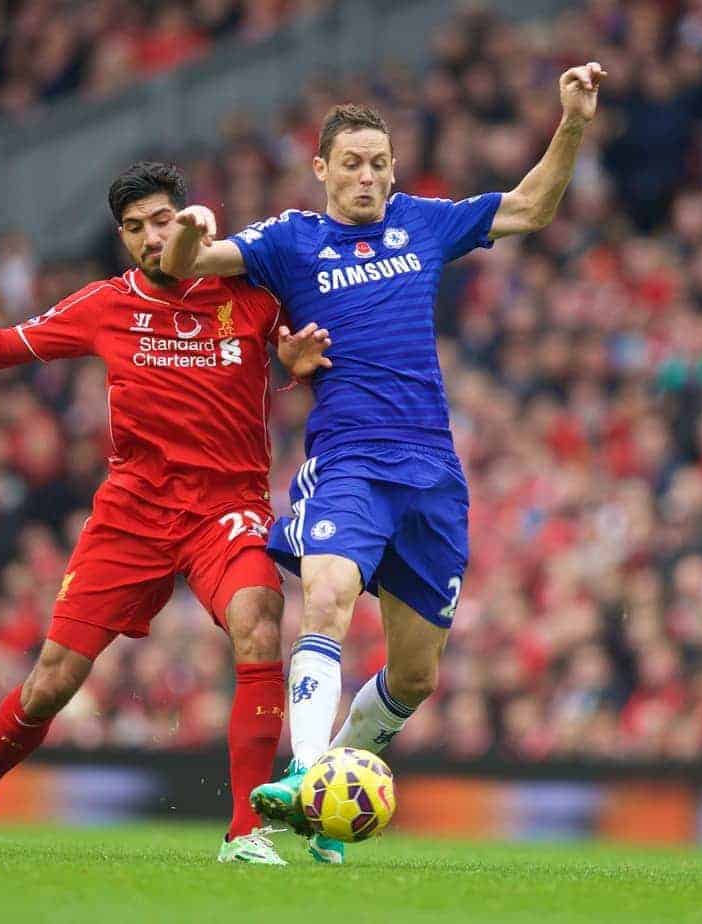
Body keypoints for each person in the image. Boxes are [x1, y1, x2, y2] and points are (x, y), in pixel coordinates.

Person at [161, 63, 606, 863]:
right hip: (351, 463)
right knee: (327, 592)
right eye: (352, 162)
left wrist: (571, 119)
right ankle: (304, 775)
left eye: (379, 162)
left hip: (431, 474)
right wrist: (191, 229)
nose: (367, 175)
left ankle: (326, 771)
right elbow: (193, 263)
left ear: (393, 169)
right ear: (322, 169)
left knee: (417, 676)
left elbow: (533, 206)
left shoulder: (423, 224)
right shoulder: (291, 241)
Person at [0, 162, 331, 864]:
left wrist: (296, 359)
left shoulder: (249, 293)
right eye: (134, 228)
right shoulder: (105, 304)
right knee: (51, 682)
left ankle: (244, 834)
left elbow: (303, 350)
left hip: (227, 510)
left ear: (187, 219)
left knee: (259, 624)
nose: (150, 237)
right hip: (132, 514)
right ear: (122, 238)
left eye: (161, 220)